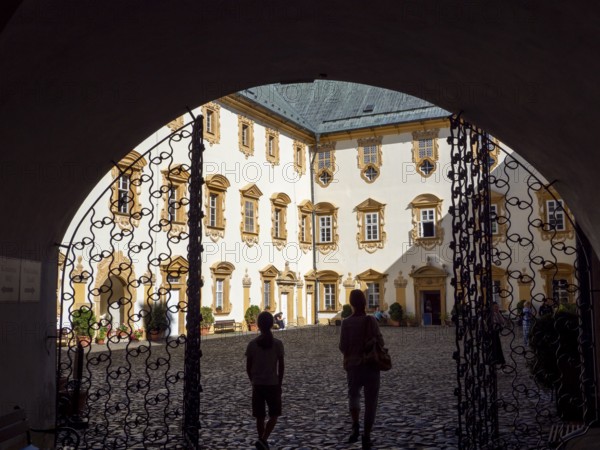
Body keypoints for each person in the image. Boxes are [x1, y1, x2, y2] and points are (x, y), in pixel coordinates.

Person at [339, 289, 385, 450]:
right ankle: (367, 435)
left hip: (353, 366)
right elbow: (380, 341)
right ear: (364, 302)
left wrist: (352, 352)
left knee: (354, 395)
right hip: (371, 365)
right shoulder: (371, 320)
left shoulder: (346, 322)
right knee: (371, 402)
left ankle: (355, 424)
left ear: (351, 303)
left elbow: (342, 346)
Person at [246, 312, 285, 450]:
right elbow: (281, 366)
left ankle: (261, 440)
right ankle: (263, 439)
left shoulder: (252, 344)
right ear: (271, 324)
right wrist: (279, 382)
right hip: (272, 383)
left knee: (259, 416)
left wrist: (253, 380)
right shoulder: (278, 344)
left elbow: (248, 367)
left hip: (258, 384)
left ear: (258, 325)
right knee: (274, 414)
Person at [490, 302, 506, 366]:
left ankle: (498, 360)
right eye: (495, 306)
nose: (497, 308)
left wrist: (498, 313)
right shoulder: (491, 314)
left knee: (498, 346)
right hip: (492, 333)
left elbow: (502, 321)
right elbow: (494, 324)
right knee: (494, 346)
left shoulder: (497, 313)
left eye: (497, 306)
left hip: (496, 332)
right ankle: (493, 359)